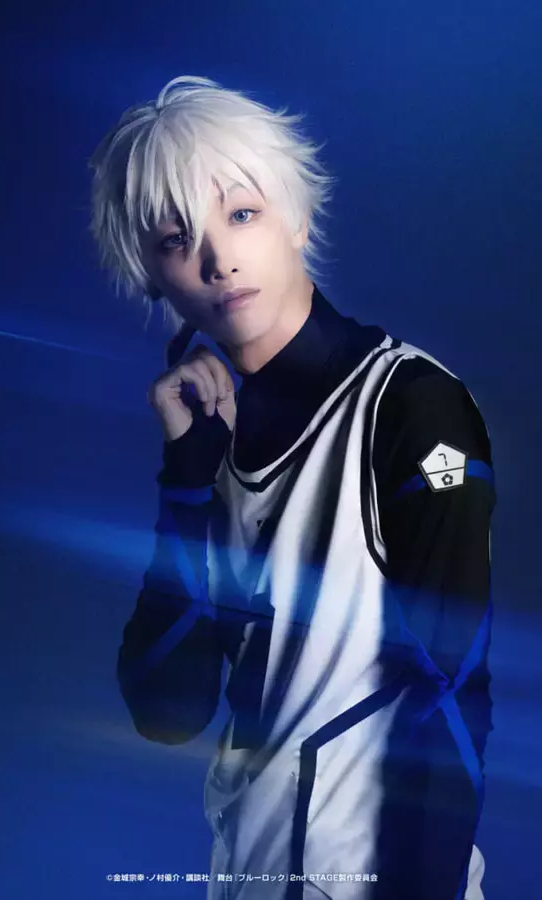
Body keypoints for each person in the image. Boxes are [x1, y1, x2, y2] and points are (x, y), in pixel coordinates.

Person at [88, 75, 496, 900]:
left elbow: (453, 697)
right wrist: (186, 482)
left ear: (298, 218)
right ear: (151, 275)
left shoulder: (414, 408)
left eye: (242, 214)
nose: (219, 260)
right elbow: (166, 712)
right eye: (177, 239)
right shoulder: (210, 436)